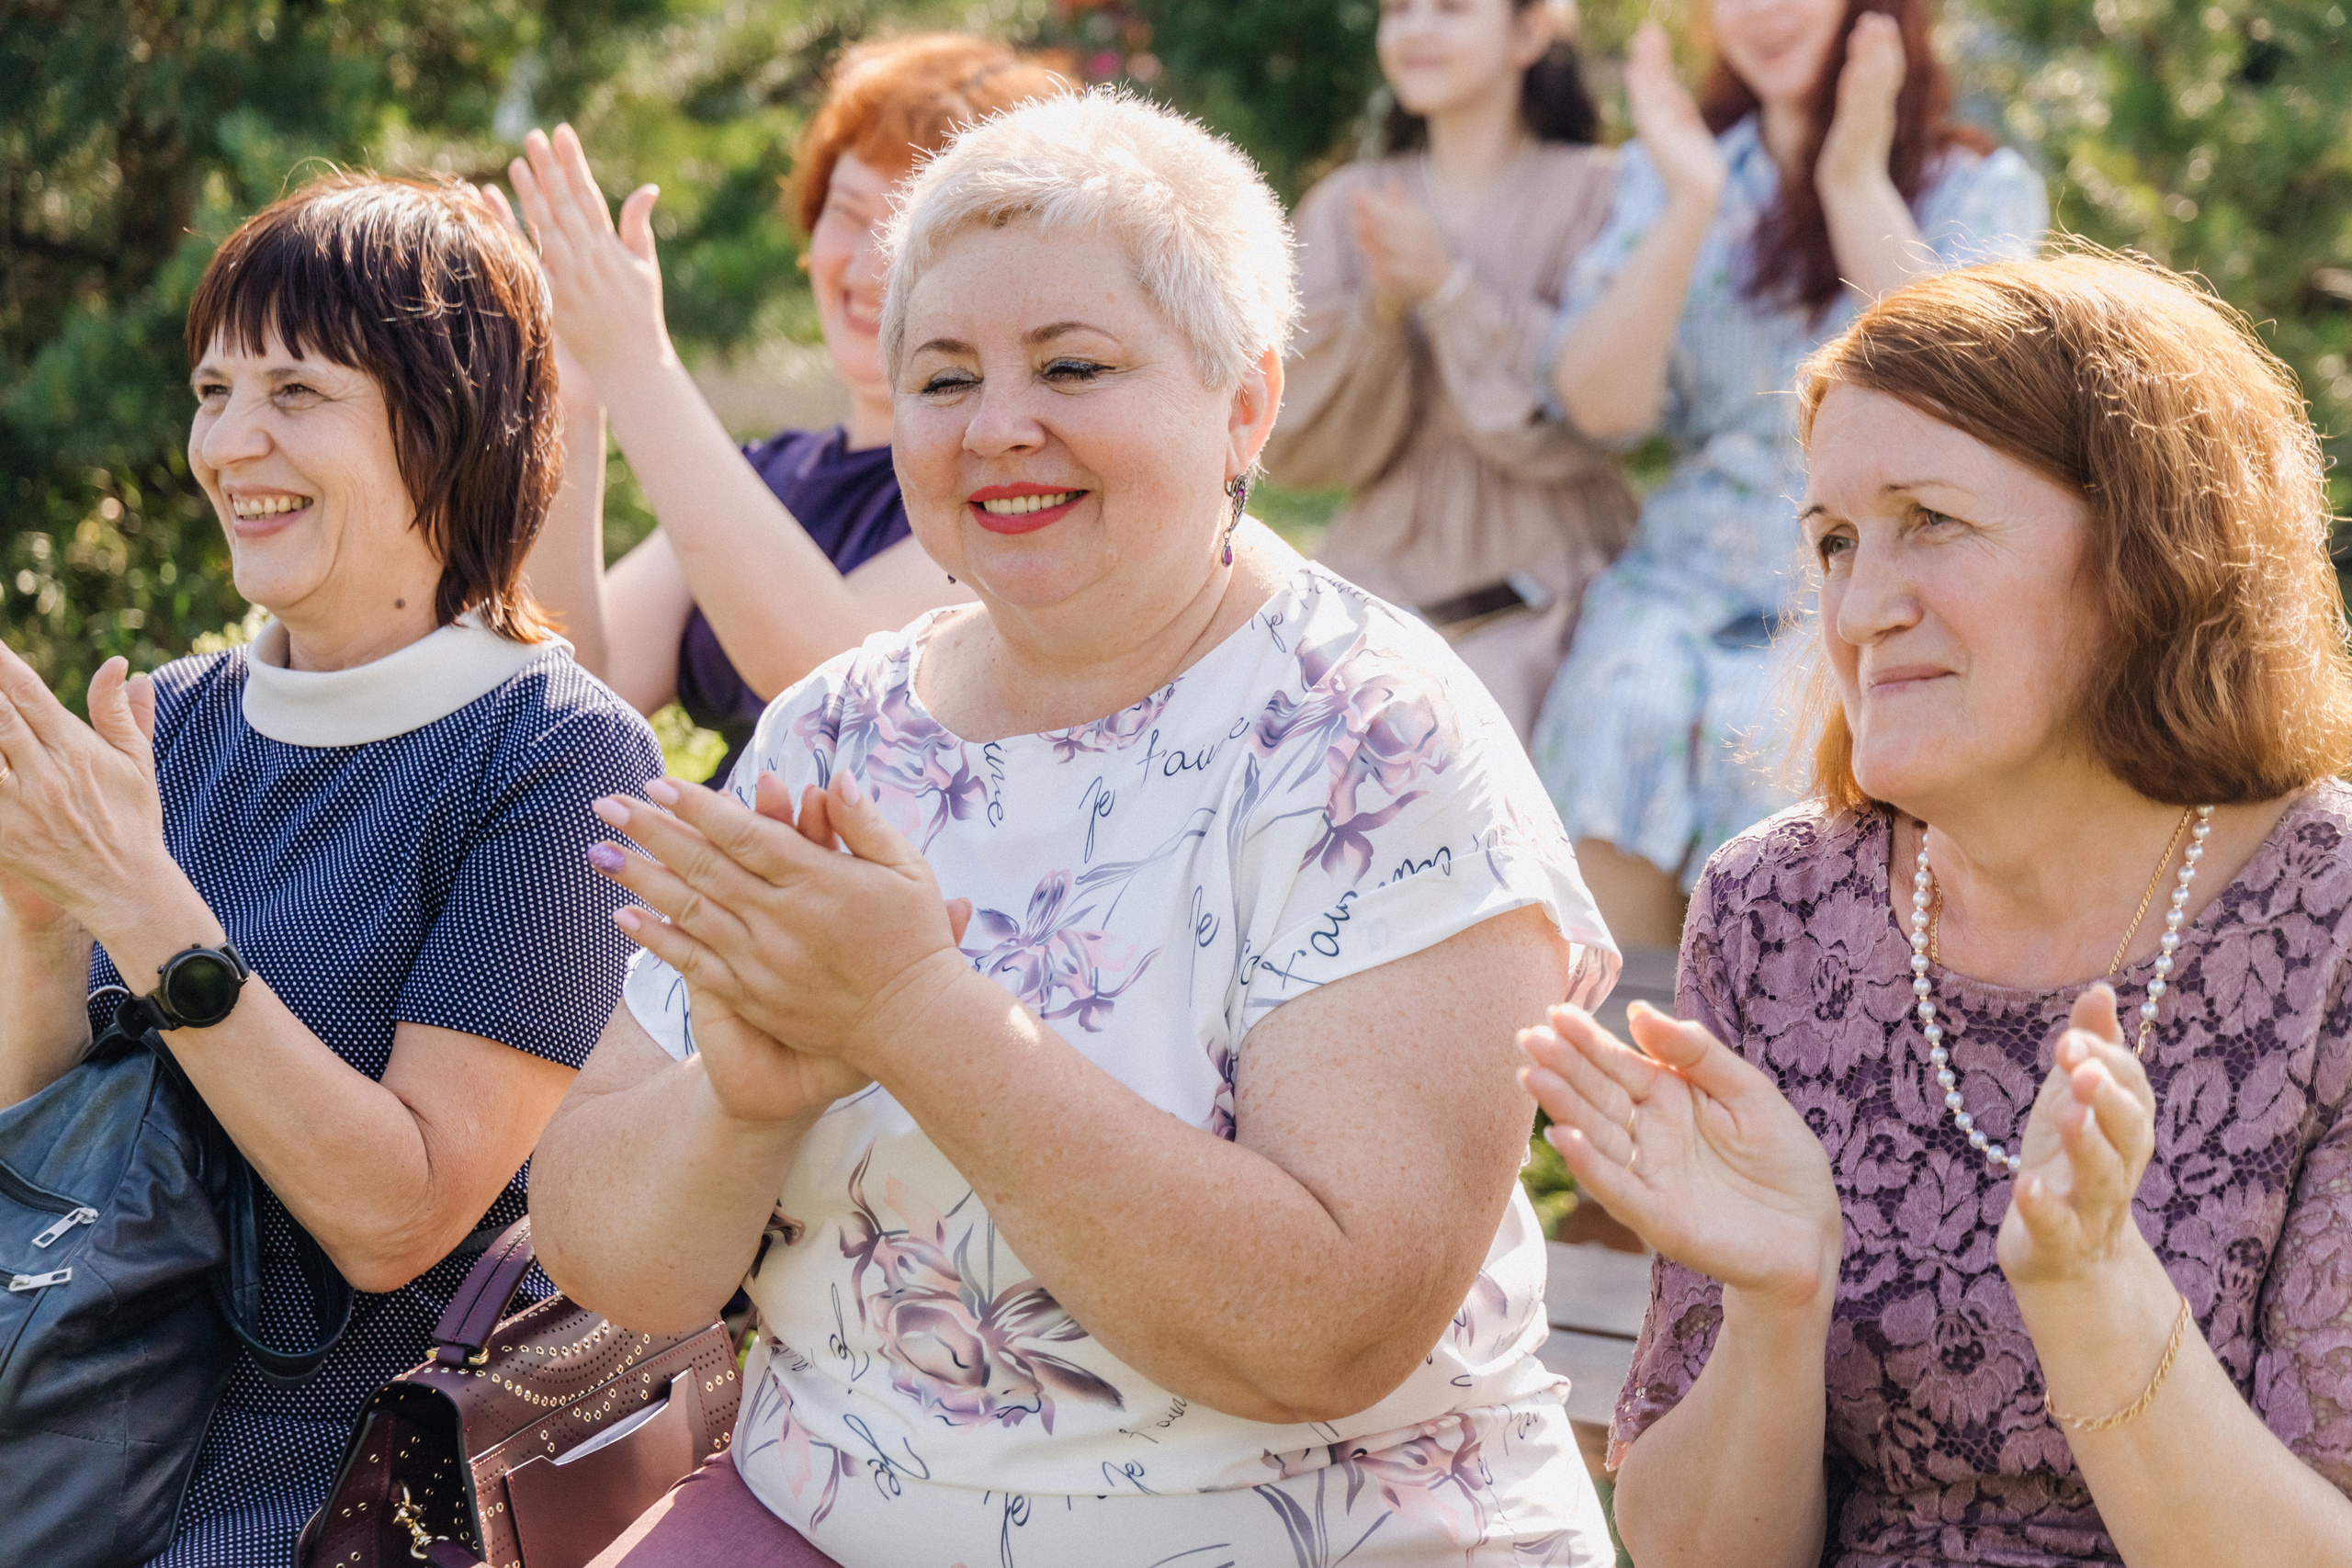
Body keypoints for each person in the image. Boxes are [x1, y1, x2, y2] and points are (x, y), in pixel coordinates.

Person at [530, 91, 1628, 1566]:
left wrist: (914, 1013)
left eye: (1073, 365)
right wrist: (742, 1102)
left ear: (1246, 402)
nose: (998, 427)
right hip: (824, 1512)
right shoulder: (831, 732)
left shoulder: (1372, 741)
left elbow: (1326, 1324)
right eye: (942, 376)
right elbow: (614, 1253)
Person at [1521, 254, 2352, 1567]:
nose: (1859, 608)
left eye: (1931, 520)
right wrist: (1777, 1295)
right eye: (1836, 541)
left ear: (2151, 545)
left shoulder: (2331, 924)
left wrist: (2090, 1290)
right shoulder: (1774, 911)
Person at [0, 175, 660, 1564]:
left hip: (323, 1480)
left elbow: (397, 1215)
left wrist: (140, 898)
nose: (231, 441)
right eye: (213, 388)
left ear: (451, 421)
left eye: (296, 391)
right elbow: (47, 1140)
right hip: (64, 1407)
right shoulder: (170, 715)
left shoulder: (552, 754)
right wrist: (40, 915)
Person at [1529, 0, 2046, 948]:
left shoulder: (1970, 184)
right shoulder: (1675, 170)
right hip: (1682, 573)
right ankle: (1620, 1061)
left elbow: (1963, 397)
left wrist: (1849, 177)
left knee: (1790, 746)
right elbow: (1599, 406)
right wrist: (1687, 202)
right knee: (1620, 701)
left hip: (1870, 575)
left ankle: (1784, 1065)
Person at [515, 34, 1065, 779]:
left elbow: (837, 694)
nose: (873, 262)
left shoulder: (1015, 483)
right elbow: (572, 692)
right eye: (849, 212)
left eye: (916, 226)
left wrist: (638, 365)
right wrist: (573, 404)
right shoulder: (767, 473)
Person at [1262, 0, 1635, 742]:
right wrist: (1381, 316)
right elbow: (1293, 437)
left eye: (1451, 10)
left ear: (1529, 33)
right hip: (1383, 556)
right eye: (1398, 11)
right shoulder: (1347, 207)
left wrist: (1448, 291)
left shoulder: (1602, 192)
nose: (1416, 30)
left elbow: (1587, 420)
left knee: (1480, 724)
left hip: (1554, 564)